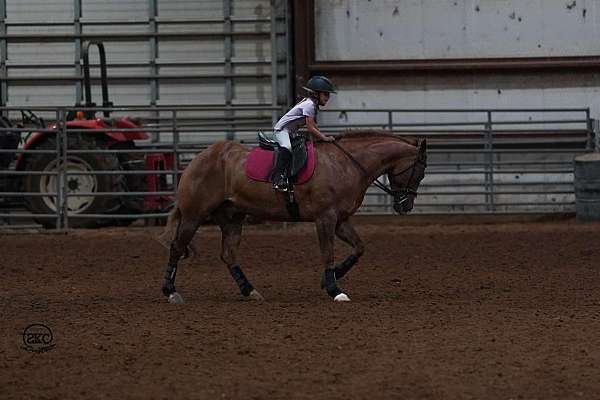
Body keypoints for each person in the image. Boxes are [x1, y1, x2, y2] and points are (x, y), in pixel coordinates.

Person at [270, 75, 337, 191]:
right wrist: (324, 138)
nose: (328, 97)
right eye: (325, 94)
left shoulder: (312, 104)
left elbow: (313, 126)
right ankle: (277, 179)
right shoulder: (309, 105)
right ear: (316, 94)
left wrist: (321, 136)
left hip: (290, 132)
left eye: (328, 94)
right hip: (281, 131)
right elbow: (311, 128)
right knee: (286, 148)